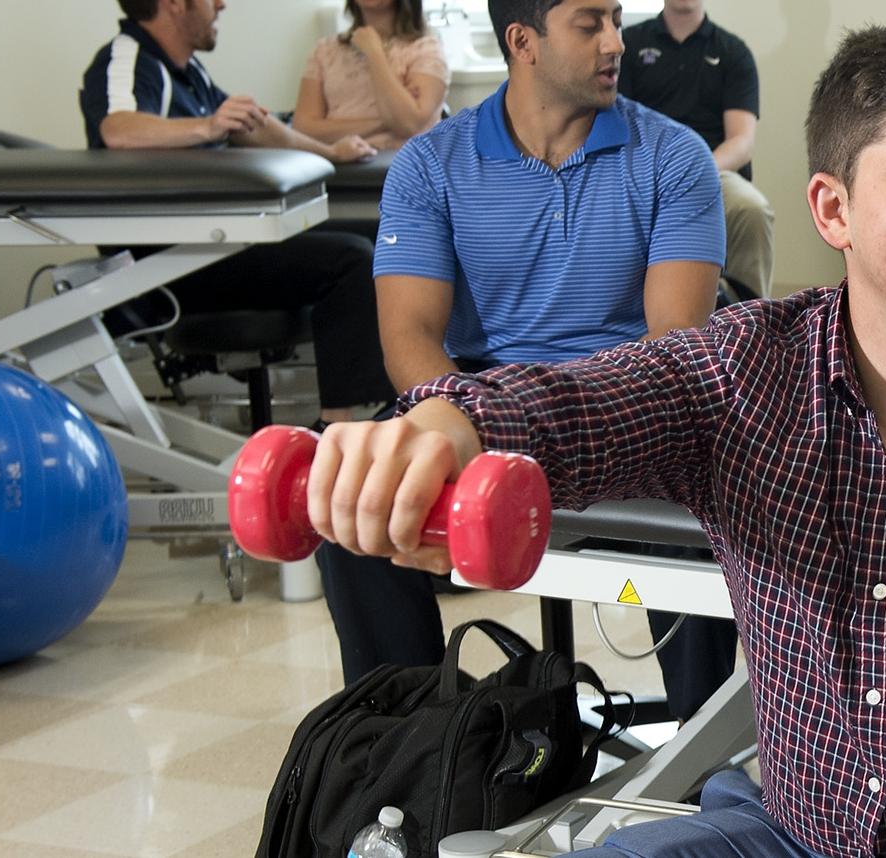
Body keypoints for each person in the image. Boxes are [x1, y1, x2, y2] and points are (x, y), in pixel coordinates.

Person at [304, 17, 886, 857]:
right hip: (782, 833)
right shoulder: (747, 369)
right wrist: (447, 424)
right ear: (833, 211)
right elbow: (581, 405)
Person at [315, 0, 738, 726]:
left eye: (614, 18)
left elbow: (673, 347)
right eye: (589, 23)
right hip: (479, 409)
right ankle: (410, 752)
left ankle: (701, 778)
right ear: (523, 42)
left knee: (716, 497)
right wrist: (465, 433)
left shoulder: (674, 157)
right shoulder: (429, 164)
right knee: (357, 514)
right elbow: (409, 340)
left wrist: (554, 429)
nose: (616, 42)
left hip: (628, 413)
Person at [80, 0, 391, 427]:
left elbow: (255, 126)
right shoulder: (128, 58)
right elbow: (118, 129)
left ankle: (411, 400)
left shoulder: (189, 74)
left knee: (388, 233)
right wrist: (208, 126)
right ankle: (335, 429)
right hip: (174, 266)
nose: (221, 4)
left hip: (219, 243)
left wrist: (330, 153)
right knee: (351, 260)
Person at [618, 0, 775, 300]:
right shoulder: (628, 45)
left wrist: (696, 171)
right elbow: (618, 125)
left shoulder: (732, 51)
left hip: (714, 171)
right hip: (643, 172)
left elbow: (742, 141)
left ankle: (752, 326)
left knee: (752, 209)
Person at [294, 0, 450, 152]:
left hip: (402, 166)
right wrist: (385, 121)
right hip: (338, 165)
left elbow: (408, 125)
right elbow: (304, 129)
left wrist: (374, 53)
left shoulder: (426, 50)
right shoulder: (325, 51)